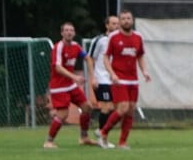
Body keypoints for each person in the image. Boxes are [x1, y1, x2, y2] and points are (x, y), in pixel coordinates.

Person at [99, 10, 149, 149]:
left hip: (133, 79)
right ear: (120, 22)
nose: (126, 21)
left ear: (132, 21)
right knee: (122, 108)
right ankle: (103, 133)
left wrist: (144, 71)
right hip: (119, 79)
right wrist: (112, 74)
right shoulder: (114, 37)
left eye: (128, 18)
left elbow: (140, 56)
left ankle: (122, 142)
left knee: (130, 110)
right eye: (123, 19)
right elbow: (105, 57)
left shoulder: (138, 37)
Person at [44, 22, 95, 149]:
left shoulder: (76, 46)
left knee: (87, 107)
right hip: (59, 86)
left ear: (74, 33)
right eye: (66, 30)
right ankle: (48, 141)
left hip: (70, 85)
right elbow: (58, 67)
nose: (69, 32)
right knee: (63, 114)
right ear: (62, 33)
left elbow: (88, 58)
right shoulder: (58, 47)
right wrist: (75, 77)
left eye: (71, 30)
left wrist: (92, 77)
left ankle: (84, 137)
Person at [86, 14, 120, 148]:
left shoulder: (119, 41)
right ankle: (102, 136)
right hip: (102, 78)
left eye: (117, 24)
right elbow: (89, 58)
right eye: (113, 23)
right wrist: (92, 77)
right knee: (106, 107)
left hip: (113, 80)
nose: (116, 26)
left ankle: (101, 132)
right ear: (107, 25)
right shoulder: (100, 40)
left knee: (115, 108)